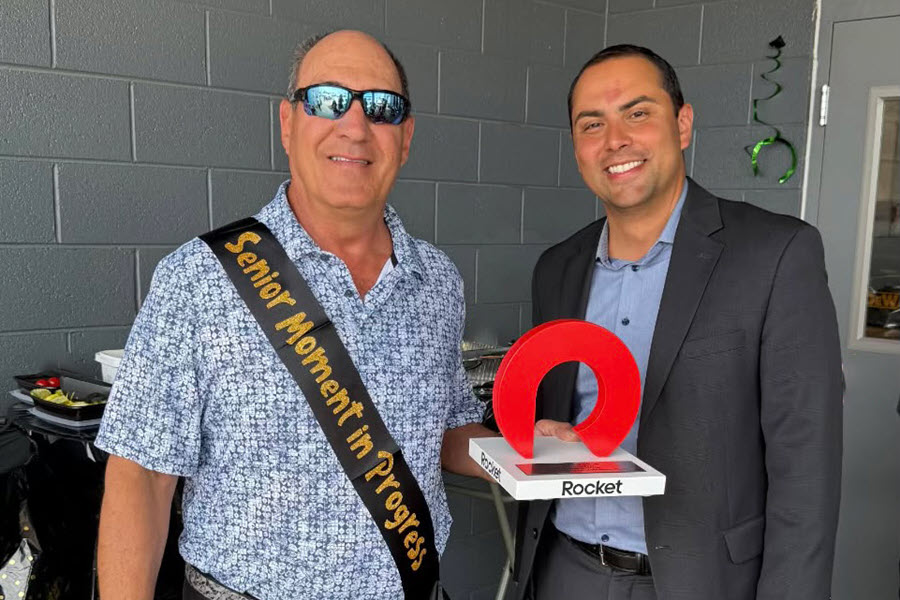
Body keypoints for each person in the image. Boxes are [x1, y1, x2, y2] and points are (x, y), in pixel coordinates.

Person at [95, 30, 491, 600]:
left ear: (405, 138)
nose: (354, 126)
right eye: (327, 100)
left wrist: (527, 452)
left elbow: (446, 433)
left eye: (381, 108)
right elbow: (143, 477)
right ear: (287, 123)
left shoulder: (438, 282)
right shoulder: (199, 277)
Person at [506, 45, 843, 600]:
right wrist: (545, 441)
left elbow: (806, 470)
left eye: (638, 113)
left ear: (682, 125)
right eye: (592, 124)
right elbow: (559, 422)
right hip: (565, 570)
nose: (615, 140)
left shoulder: (776, 254)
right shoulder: (557, 268)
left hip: (702, 581)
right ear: (576, 146)